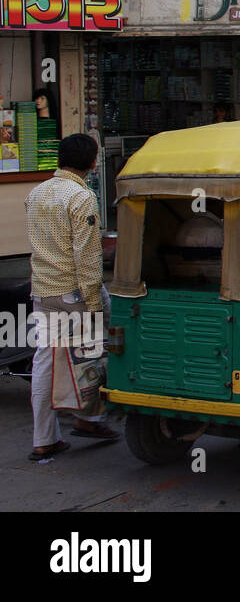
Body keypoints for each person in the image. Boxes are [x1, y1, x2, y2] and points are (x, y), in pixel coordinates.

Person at [26, 133, 118, 460]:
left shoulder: (36, 193)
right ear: (93, 163)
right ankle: (90, 417)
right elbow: (89, 258)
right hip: (74, 291)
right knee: (96, 353)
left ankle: (44, 439)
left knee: (45, 363)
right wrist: (94, 304)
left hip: (43, 290)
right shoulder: (81, 197)